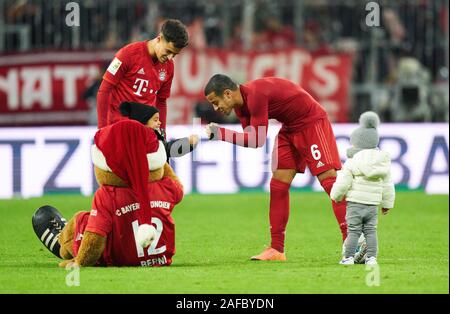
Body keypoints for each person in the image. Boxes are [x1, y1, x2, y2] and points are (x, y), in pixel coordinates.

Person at [203, 74, 348, 261]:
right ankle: (277, 250)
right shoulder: (241, 106)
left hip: (311, 122)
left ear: (228, 94)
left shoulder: (255, 96)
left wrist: (221, 133)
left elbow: (257, 139)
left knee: (329, 181)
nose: (216, 108)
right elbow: (254, 141)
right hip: (290, 128)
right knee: (278, 183)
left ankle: (351, 239)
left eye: (216, 102)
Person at [32, 120, 183, 266]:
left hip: (118, 259)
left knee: (83, 220)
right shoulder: (166, 187)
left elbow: (95, 237)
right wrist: (154, 160)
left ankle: (62, 244)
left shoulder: (107, 194)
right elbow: (178, 189)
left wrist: (79, 263)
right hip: (161, 259)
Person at [96, 19, 189, 132]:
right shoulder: (127, 54)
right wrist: (102, 129)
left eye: (174, 54)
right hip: (119, 129)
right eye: (168, 51)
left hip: (144, 133)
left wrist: (162, 133)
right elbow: (104, 90)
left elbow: (161, 101)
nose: (170, 57)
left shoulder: (169, 67)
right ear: (159, 38)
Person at [331, 112, 395, 265]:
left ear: (358, 143)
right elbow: (388, 185)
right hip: (372, 204)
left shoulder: (352, 161)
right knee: (371, 231)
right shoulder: (382, 163)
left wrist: (336, 196)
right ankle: (371, 258)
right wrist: (386, 204)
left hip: (355, 203)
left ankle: (348, 257)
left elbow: (343, 181)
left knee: (353, 231)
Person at [119, 101, 199, 160]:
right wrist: (188, 143)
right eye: (155, 120)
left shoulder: (153, 136)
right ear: (143, 122)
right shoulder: (143, 141)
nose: (160, 123)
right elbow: (167, 149)